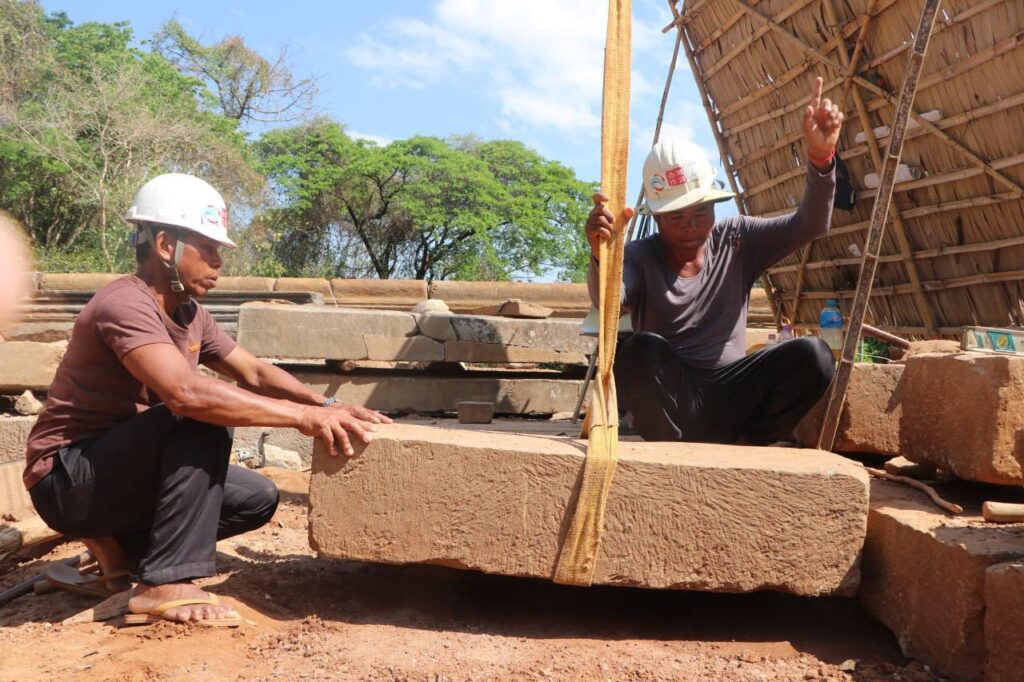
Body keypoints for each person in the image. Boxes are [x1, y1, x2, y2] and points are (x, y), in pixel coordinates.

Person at [24, 173, 390, 627]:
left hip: (118, 474)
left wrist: (325, 405)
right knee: (196, 415)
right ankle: (164, 583)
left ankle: (119, 552)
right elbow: (186, 393)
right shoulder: (124, 304)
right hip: (67, 480)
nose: (219, 263)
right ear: (165, 245)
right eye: (209, 248)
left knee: (255, 497)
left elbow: (253, 371)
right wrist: (302, 418)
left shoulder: (190, 314)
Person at [584, 77, 844, 445]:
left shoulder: (737, 239)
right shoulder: (641, 256)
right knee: (638, 351)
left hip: (733, 397)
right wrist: (602, 254)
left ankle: (748, 444)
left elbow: (809, 225)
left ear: (714, 207)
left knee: (813, 355)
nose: (689, 225)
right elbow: (608, 303)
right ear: (656, 218)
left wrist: (820, 160)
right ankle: (671, 449)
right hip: (673, 401)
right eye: (676, 216)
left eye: (700, 212)